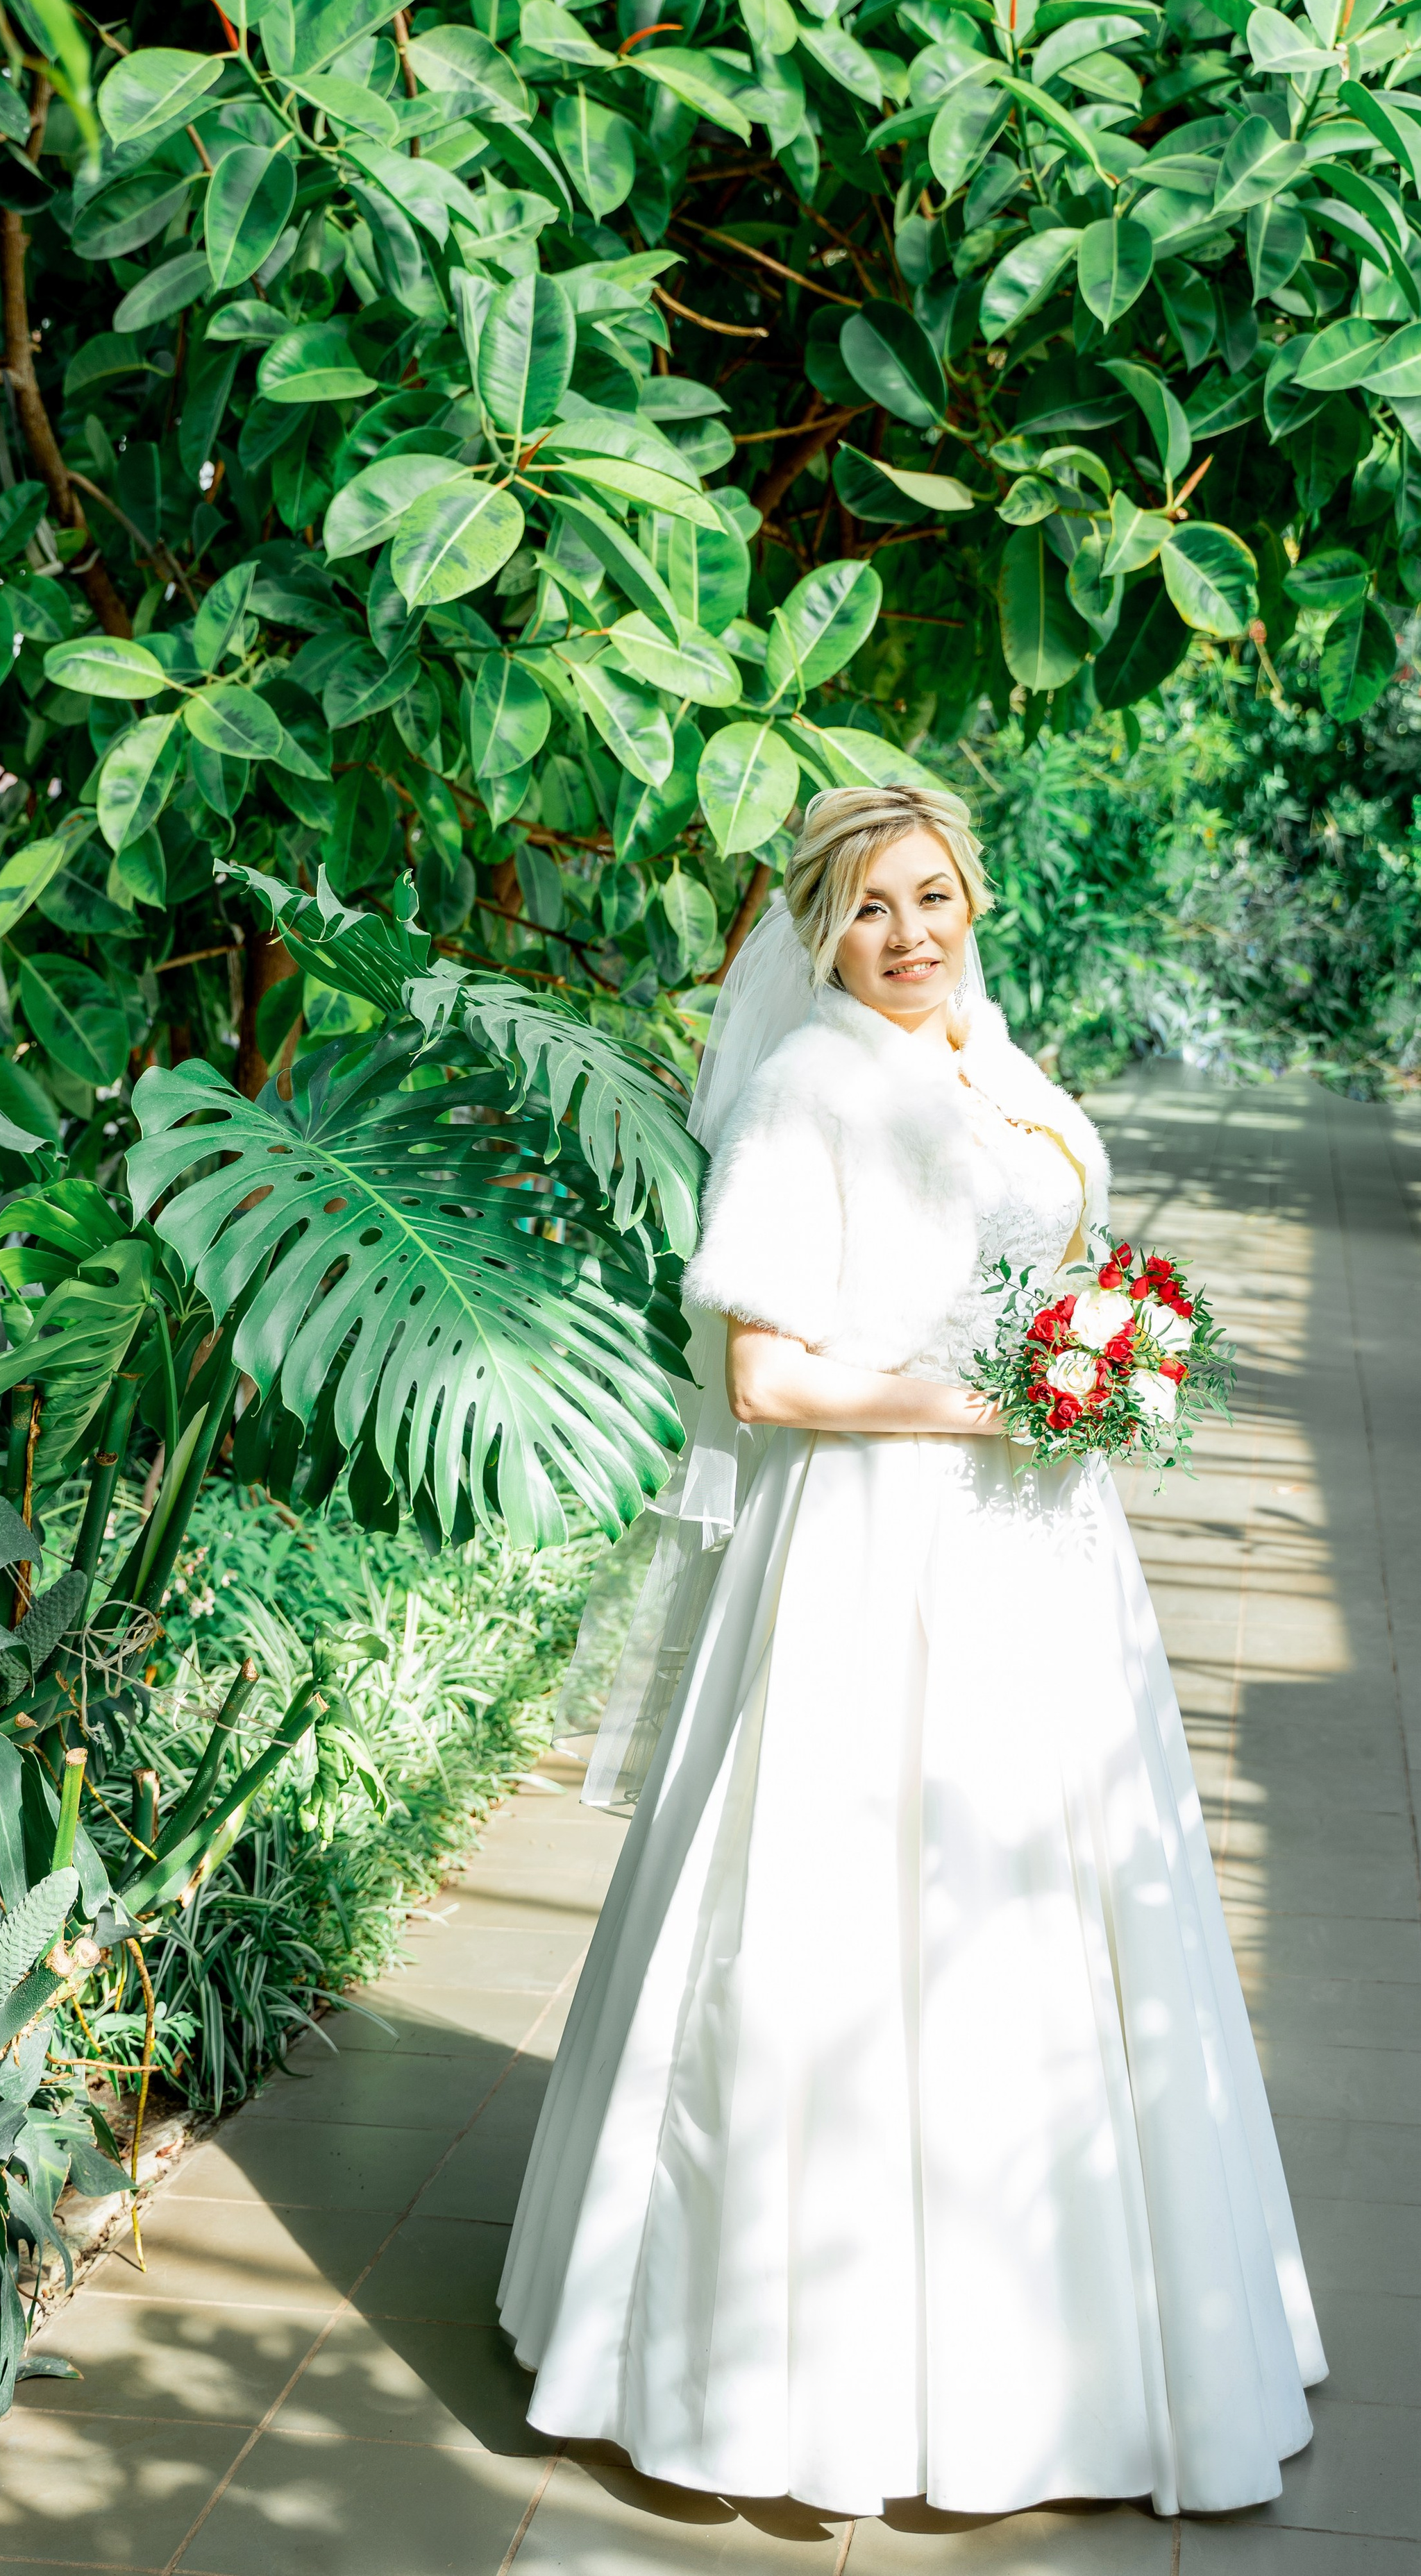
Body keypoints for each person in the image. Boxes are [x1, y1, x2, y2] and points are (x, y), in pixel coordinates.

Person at [498, 782, 1324, 2520]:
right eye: (867, 907)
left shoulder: (986, 1057)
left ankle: (1074, 2355)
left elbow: (1039, 1255)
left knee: (1045, 1910)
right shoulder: (806, 1089)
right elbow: (763, 1378)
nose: (907, 934)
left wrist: (1105, 1355)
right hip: (877, 1549)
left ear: (971, 901)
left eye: (931, 895)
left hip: (1044, 1560)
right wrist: (994, 1410)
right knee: (842, 1917)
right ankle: (793, 2375)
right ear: (816, 930)